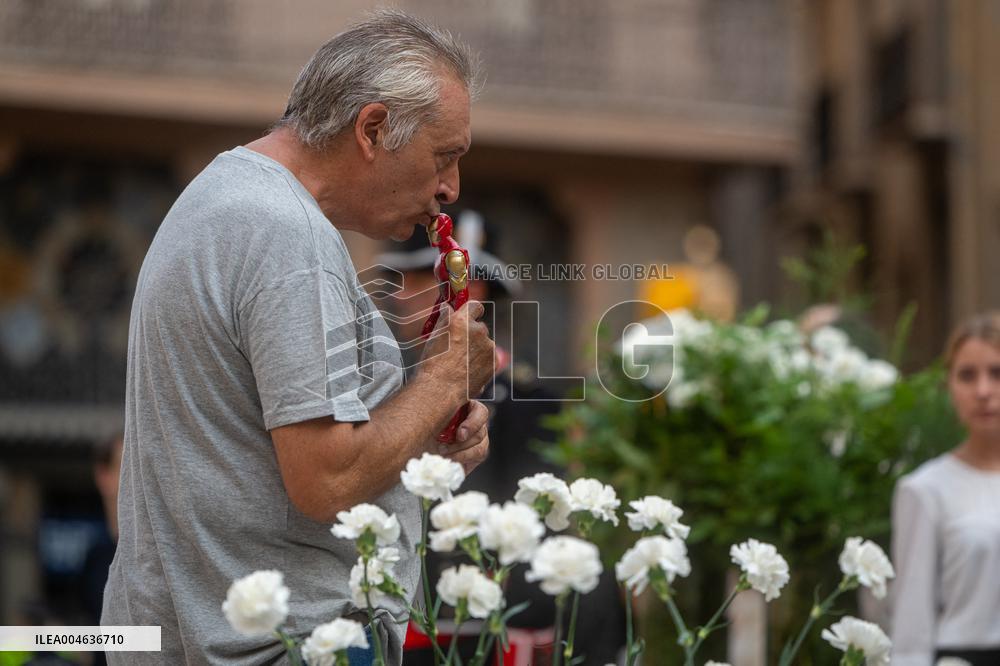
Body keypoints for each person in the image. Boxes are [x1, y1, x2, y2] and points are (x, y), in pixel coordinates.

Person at [101, 11, 495, 665]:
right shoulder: (287, 235)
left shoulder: (223, 196)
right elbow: (326, 480)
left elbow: (256, 450)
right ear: (371, 129)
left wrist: (426, 431)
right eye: (444, 156)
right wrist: (445, 379)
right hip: (283, 646)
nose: (450, 187)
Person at [374, 212, 626, 665]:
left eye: (420, 280)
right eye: (405, 280)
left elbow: (530, 500)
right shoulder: (386, 386)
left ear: (470, 293)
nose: (404, 296)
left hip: (494, 606)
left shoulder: (530, 397)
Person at [890, 312, 1000, 666]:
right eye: (967, 375)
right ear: (949, 385)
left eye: (997, 373)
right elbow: (910, 627)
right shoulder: (926, 490)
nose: (983, 391)